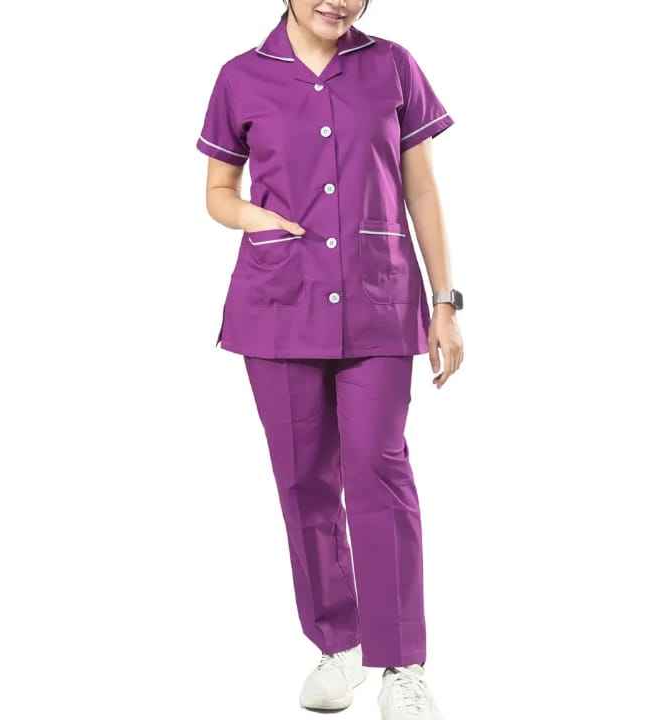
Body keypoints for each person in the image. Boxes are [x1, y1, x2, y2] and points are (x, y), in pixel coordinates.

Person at [196, 2, 464, 718]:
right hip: (277, 305)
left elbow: (421, 187)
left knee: (381, 472)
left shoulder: (392, 66)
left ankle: (402, 662)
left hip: (379, 300)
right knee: (303, 479)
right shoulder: (241, 77)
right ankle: (335, 644)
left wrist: (445, 301)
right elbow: (217, 193)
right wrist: (255, 217)